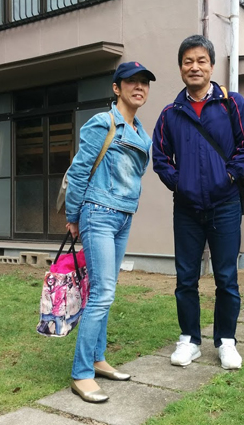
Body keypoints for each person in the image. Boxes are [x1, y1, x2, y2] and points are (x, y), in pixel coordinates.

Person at [152, 35, 244, 370]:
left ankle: (226, 342)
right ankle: (189, 340)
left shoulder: (232, 104)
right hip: (186, 209)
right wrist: (180, 183)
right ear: (181, 68)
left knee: (226, 277)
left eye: (201, 60)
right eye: (188, 61)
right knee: (186, 278)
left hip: (225, 205)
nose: (194, 67)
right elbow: (160, 157)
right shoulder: (170, 113)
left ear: (212, 66)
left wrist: (228, 176)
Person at [65, 61, 155, 402]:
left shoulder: (141, 134)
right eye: (131, 82)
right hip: (98, 213)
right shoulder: (102, 123)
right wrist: (73, 215)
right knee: (102, 293)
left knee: (107, 290)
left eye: (144, 82)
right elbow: (78, 171)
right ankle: (81, 373)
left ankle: (98, 359)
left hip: (123, 217)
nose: (139, 87)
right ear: (117, 88)